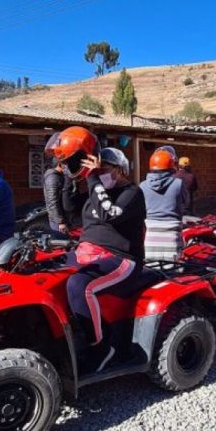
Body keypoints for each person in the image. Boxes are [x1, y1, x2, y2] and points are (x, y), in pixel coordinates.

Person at [53, 126, 146, 350]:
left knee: (79, 283)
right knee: (51, 275)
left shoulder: (132, 193)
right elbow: (69, 207)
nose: (99, 170)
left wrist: (94, 177)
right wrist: (69, 176)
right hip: (89, 252)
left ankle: (98, 344)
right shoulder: (96, 192)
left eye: (105, 168)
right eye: (96, 167)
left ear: (120, 170)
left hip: (122, 258)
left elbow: (108, 214)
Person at [140, 147, 188, 261]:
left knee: (152, 273)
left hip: (150, 237)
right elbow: (185, 203)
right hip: (172, 236)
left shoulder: (142, 186)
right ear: (172, 166)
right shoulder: (178, 184)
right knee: (173, 273)